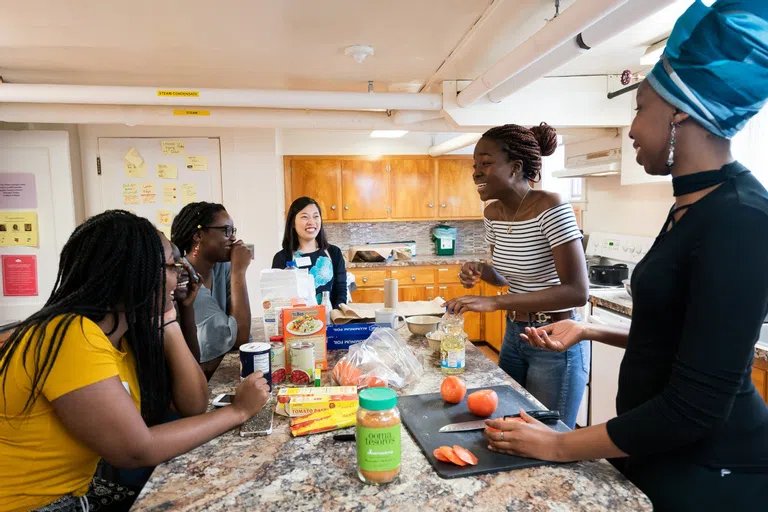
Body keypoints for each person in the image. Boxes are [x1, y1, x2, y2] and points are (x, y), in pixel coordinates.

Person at [483, 1, 768, 509]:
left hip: (710, 470)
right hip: (656, 450)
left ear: (681, 111)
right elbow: (675, 339)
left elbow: (696, 403)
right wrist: (591, 329)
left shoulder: (742, 217)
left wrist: (561, 443)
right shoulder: (690, 203)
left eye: (639, 108)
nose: (632, 129)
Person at [0, 210, 270, 512]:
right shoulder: (72, 336)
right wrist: (239, 410)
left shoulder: (120, 337)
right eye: (172, 265)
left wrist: (167, 318)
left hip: (73, 494)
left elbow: (193, 405)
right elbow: (137, 450)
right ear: (134, 273)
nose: (182, 275)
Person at [444, 122, 589, 429]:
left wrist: (496, 303)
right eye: (475, 165)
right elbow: (505, 276)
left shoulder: (552, 206)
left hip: (554, 337)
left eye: (485, 163)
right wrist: (482, 271)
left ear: (515, 167)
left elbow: (578, 291)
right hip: (515, 334)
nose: (476, 173)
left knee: (549, 434)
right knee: (510, 424)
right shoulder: (493, 214)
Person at [171, 202, 253, 378]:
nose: (233, 239)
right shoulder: (183, 278)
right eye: (226, 231)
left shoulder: (220, 268)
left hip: (211, 368)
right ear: (198, 236)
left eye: (233, 231)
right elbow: (240, 337)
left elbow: (240, 329)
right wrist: (239, 272)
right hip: (188, 378)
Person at [272, 196, 348, 309]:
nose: (311, 222)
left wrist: (336, 316)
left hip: (329, 320)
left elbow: (341, 290)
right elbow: (279, 298)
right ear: (293, 223)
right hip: (295, 322)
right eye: (304, 217)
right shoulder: (282, 258)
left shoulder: (334, 253)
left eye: (316, 216)